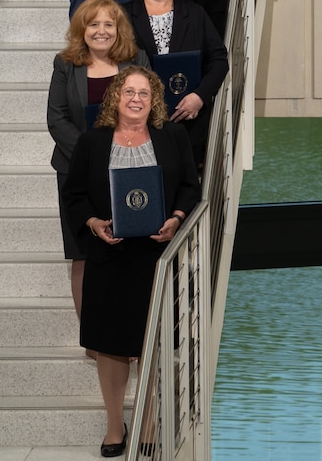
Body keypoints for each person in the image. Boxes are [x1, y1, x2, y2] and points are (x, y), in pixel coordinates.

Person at [61, 65, 200, 456]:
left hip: (156, 258)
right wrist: (92, 223)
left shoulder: (172, 136)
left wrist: (175, 220)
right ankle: (113, 426)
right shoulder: (92, 142)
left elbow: (190, 186)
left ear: (153, 100)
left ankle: (150, 422)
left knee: (153, 342)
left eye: (144, 93)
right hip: (109, 257)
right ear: (114, 97)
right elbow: (74, 196)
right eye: (129, 92)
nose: (136, 99)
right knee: (110, 345)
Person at [45, 0, 149, 320]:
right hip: (77, 172)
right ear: (82, 29)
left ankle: (127, 331)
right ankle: (90, 335)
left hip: (130, 168)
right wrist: (94, 156)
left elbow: (150, 110)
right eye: (94, 24)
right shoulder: (65, 64)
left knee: (130, 250)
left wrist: (121, 151)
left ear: (119, 30)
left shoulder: (138, 59)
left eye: (108, 24)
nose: (101, 31)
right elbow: (57, 118)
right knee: (84, 254)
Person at [123, 0, 229, 167]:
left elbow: (219, 59)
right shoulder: (122, 16)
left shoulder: (195, 13)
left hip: (187, 125)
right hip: (137, 126)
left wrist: (199, 96)